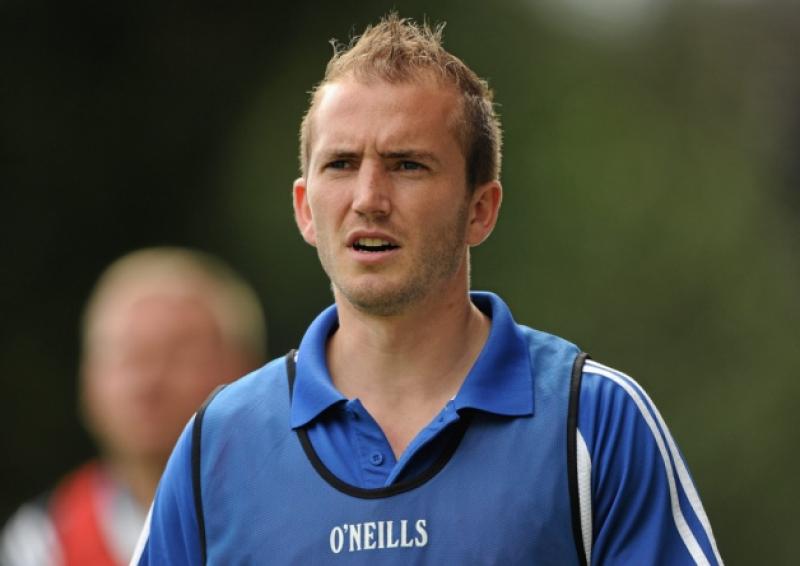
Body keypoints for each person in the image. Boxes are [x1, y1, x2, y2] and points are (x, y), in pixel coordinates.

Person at [133, 14, 722, 565]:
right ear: (304, 208)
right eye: (340, 164)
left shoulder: (593, 422)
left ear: (481, 210)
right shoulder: (219, 444)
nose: (368, 198)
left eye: (407, 164)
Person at [0, 247, 266, 566]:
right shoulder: (42, 541)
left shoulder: (298, 515)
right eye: (128, 357)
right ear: (88, 381)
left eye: (177, 356)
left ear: (247, 373)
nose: (147, 383)